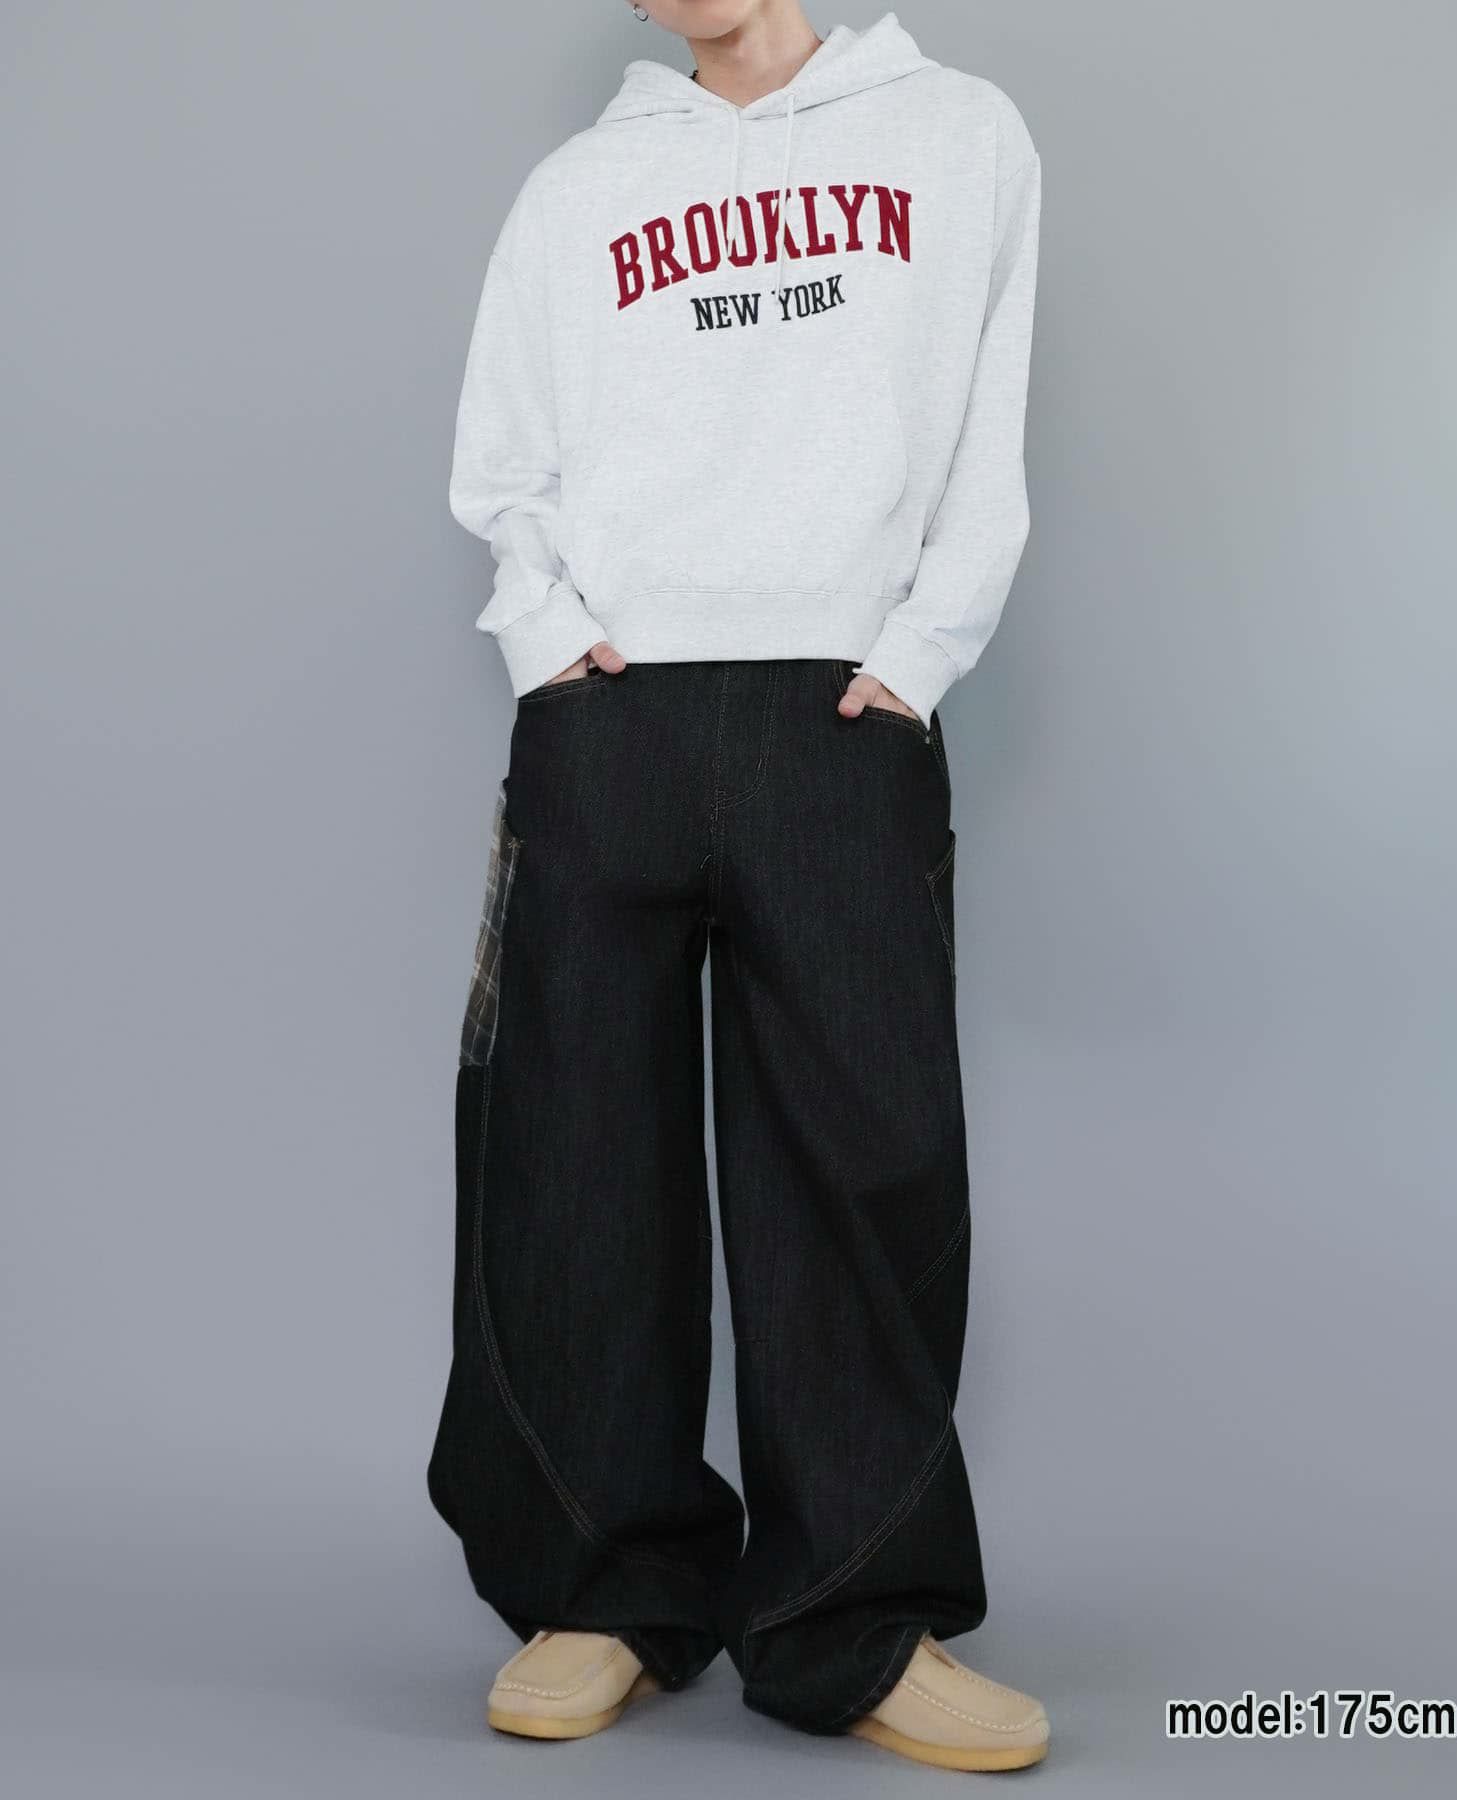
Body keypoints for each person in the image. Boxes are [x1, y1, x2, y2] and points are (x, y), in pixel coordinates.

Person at [427, 0, 1047, 1773]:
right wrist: (550, 643)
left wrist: (919, 655)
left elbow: (987, 421)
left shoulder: (960, 136)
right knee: (573, 1157)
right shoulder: (582, 188)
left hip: (842, 707)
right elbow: (503, 456)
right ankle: (604, 1589)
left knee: (862, 1161)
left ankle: (854, 1614)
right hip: (612, 710)